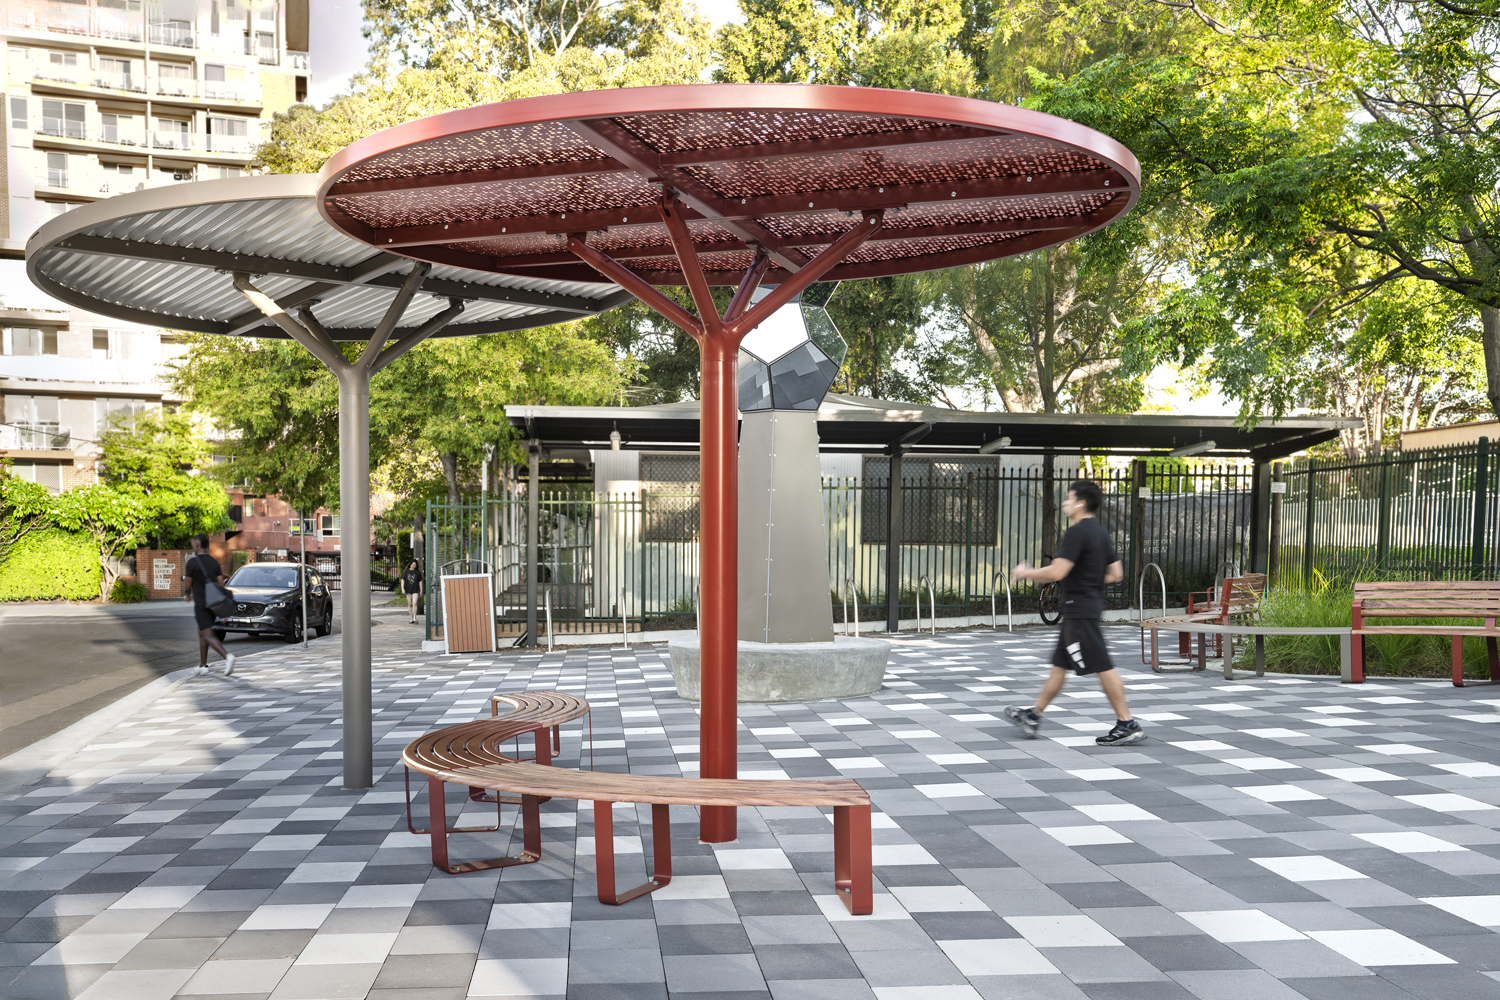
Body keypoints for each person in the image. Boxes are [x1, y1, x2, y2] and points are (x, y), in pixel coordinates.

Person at [1005, 479, 1143, 746]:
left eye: (1068, 498)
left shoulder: (1077, 532)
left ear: (1080, 502)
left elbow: (1057, 572)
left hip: (1079, 611)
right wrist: (1088, 577)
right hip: (1084, 609)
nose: (1065, 503)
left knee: (1102, 665)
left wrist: (1026, 573)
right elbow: (1116, 573)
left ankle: (1127, 723)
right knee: (1060, 665)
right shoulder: (1101, 532)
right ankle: (1034, 715)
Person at [183, 534, 236, 676]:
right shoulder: (214, 563)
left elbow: (187, 585)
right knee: (202, 632)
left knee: (207, 634)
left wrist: (187, 594)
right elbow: (220, 586)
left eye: (193, 545)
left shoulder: (192, 563)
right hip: (214, 605)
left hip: (201, 604)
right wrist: (223, 611)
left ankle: (227, 657)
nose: (193, 547)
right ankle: (203, 665)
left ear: (198, 546)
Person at [400, 559, 423, 625]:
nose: (414, 566)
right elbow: (403, 580)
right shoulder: (405, 571)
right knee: (410, 604)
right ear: (410, 564)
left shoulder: (417, 572)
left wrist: (421, 591)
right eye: (413, 565)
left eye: (415, 565)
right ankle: (411, 618)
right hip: (408, 590)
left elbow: (420, 582)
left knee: (415, 603)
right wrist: (402, 589)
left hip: (415, 590)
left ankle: (415, 618)